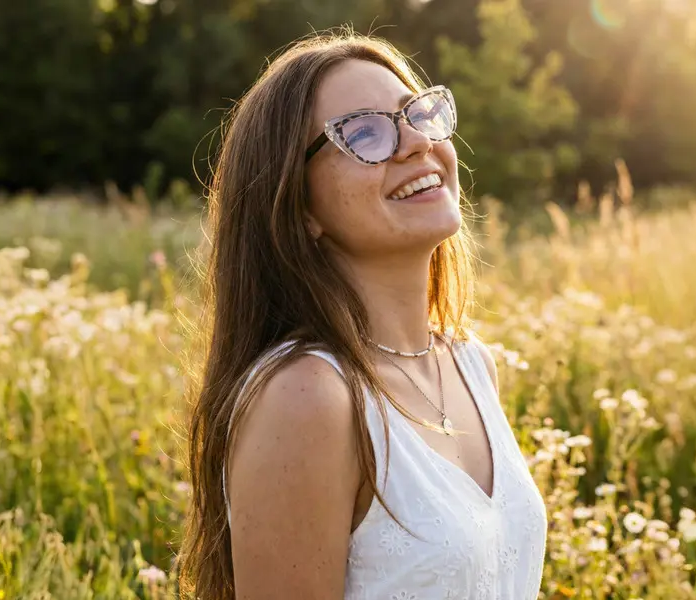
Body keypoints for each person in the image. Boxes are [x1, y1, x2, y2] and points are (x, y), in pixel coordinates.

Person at [180, 30, 548, 600]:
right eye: (364, 133)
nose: (416, 144)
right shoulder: (307, 397)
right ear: (299, 206)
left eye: (418, 114)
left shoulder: (471, 364)